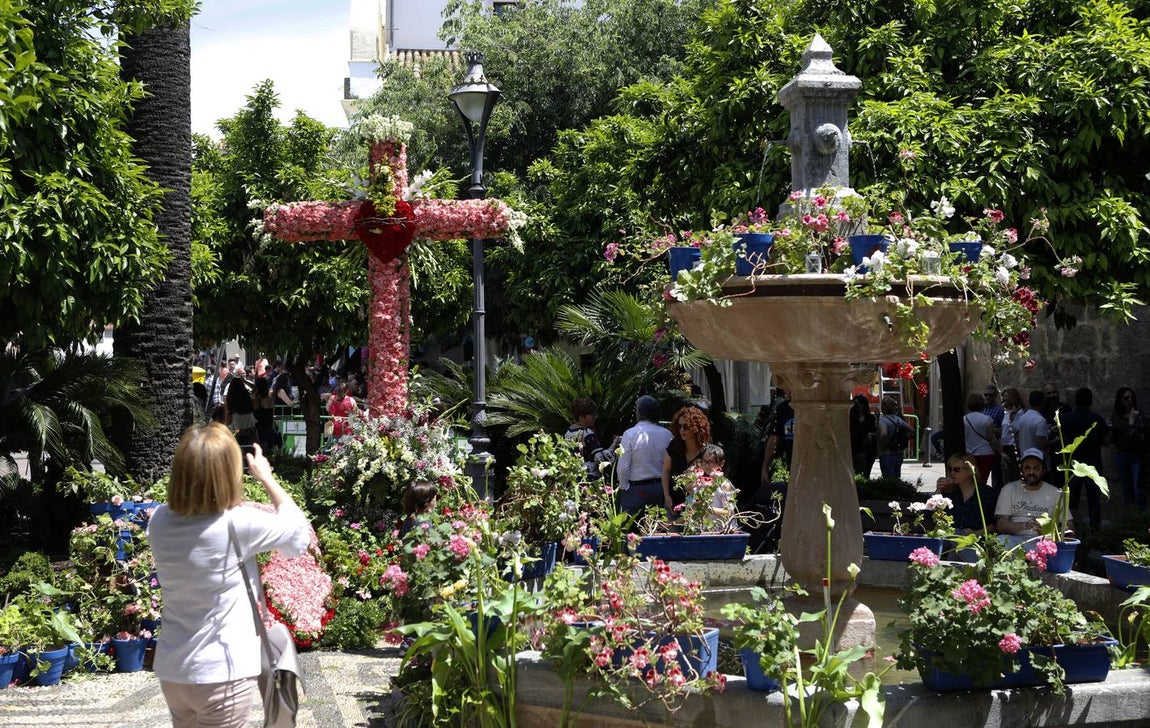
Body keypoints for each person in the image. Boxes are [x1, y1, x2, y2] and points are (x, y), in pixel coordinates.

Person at [147, 425, 310, 728]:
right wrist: (267, 478)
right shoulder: (238, 524)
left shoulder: (159, 521)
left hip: (173, 670)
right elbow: (298, 537)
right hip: (223, 672)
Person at [994, 447, 1072, 549]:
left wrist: (1047, 530)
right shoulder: (1009, 489)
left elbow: (1069, 526)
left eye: (1036, 468)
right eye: (1027, 468)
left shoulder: (1055, 493)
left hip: (1043, 542)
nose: (1031, 472)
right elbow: (1001, 524)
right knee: (998, 542)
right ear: (1022, 470)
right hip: (1014, 540)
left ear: (1043, 470)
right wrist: (1026, 526)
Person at [617, 395, 673, 518]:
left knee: (631, 530)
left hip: (636, 489)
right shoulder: (667, 434)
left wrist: (624, 486)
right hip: (661, 488)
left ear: (639, 413)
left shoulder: (630, 434)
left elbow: (623, 466)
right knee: (659, 528)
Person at [662, 405, 712, 513]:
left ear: (696, 428)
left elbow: (712, 480)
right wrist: (666, 496)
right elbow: (666, 471)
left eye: (686, 427)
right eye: (679, 426)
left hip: (698, 508)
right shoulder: (674, 446)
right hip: (673, 504)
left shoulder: (706, 451)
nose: (681, 430)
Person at [1110, 386, 1147, 509]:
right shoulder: (1117, 417)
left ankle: (1141, 518)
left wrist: (1133, 423)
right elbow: (1121, 437)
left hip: (1136, 455)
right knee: (1126, 489)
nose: (1129, 400)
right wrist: (1131, 423)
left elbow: (1140, 437)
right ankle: (1130, 519)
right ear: (1121, 400)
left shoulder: (1139, 416)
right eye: (1126, 398)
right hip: (1123, 455)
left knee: (1138, 489)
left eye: (1131, 397)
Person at [564, 397, 618, 480]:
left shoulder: (569, 432)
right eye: (592, 415)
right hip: (589, 477)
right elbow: (601, 459)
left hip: (573, 477)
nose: (595, 417)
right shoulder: (587, 433)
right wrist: (615, 443)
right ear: (581, 417)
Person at [963, 392, 1000, 486]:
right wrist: (1000, 450)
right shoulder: (987, 420)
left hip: (969, 453)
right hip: (985, 453)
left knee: (971, 480)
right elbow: (991, 439)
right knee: (983, 480)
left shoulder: (964, 419)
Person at [760, 389, 794, 483]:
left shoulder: (813, 410)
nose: (788, 391)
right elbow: (774, 438)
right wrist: (765, 466)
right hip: (793, 467)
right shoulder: (783, 409)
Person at [224, 377, 257, 457]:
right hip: (250, 429)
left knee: (238, 455)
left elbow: (228, 417)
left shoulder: (229, 400)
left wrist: (224, 427)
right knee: (250, 454)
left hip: (236, 430)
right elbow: (256, 388)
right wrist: (245, 381)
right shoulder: (248, 398)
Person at [876, 396, 908, 480]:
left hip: (886, 454)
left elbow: (883, 433)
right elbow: (911, 430)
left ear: (883, 408)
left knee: (888, 481)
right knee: (897, 479)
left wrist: (882, 443)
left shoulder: (883, 421)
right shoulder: (898, 419)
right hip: (898, 454)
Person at [983, 384, 1006, 487]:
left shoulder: (999, 410)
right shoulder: (981, 409)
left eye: (990, 395)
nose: (988, 397)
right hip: (982, 445)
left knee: (996, 476)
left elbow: (1002, 428)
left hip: (994, 444)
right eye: (986, 395)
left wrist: (996, 430)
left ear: (995, 396)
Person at [1000, 387, 1025, 483]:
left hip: (1013, 447)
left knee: (1014, 475)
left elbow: (1015, 428)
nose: (1003, 399)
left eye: (1006, 397)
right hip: (1005, 446)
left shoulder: (1019, 413)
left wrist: (1012, 417)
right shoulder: (1005, 412)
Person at [849, 394, 877, 478]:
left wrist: (870, 435)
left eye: (860, 404)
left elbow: (874, 430)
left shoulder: (870, 418)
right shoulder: (850, 418)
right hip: (855, 449)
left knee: (865, 473)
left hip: (868, 450)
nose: (858, 406)